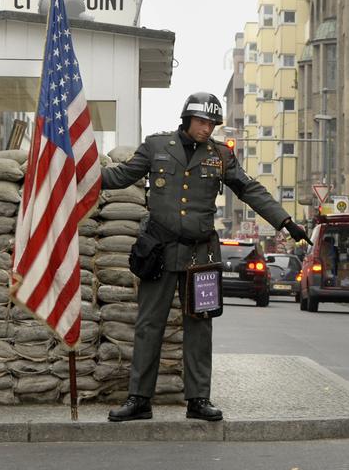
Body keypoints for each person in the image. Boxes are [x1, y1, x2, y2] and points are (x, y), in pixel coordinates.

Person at [102, 92, 311, 423]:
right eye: (202, 122)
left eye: (212, 123)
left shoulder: (220, 156)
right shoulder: (156, 146)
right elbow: (120, 176)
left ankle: (198, 399)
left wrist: (285, 222)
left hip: (201, 255)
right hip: (159, 250)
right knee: (148, 326)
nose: (207, 129)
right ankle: (139, 399)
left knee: (200, 327)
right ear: (186, 120)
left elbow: (250, 189)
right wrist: (78, 171)